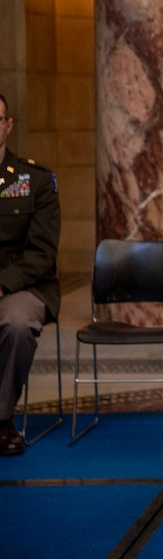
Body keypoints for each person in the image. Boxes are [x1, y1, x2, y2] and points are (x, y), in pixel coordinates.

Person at [0, 95, 60, 457]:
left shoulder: (34, 179)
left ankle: (1, 419)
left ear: (7, 125)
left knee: (17, 325)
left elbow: (42, 252)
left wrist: (3, 284)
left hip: (24, 285)